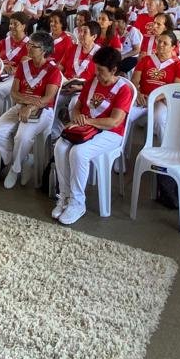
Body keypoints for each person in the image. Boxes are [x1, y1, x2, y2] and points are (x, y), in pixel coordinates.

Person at [52, 46, 134, 226]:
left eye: (101, 70)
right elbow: (78, 106)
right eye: (96, 68)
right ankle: (64, 196)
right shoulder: (91, 82)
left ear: (113, 70)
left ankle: (77, 202)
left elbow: (114, 121)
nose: (96, 73)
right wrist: (78, 116)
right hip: (86, 127)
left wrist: (88, 121)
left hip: (110, 133)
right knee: (60, 146)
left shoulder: (123, 89)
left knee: (78, 153)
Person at [0, 31, 63, 189]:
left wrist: (31, 106)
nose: (28, 47)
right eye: (28, 44)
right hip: (21, 106)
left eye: (33, 46)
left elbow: (48, 98)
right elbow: (14, 93)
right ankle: (21, 160)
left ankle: (14, 169)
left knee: (22, 137)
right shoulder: (24, 66)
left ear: (44, 50)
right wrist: (26, 102)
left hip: (44, 111)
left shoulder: (53, 70)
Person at [129, 31, 180, 141]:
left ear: (173, 47)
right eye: (159, 41)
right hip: (142, 99)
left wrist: (154, 98)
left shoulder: (179, 65)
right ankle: (123, 149)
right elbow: (134, 80)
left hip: (162, 100)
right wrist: (137, 94)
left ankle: (164, 146)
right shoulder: (146, 60)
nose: (160, 45)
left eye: (165, 43)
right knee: (123, 113)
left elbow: (175, 89)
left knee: (159, 117)